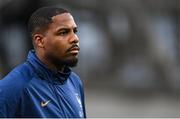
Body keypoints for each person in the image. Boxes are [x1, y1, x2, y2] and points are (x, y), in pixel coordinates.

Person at [0, 6, 86, 118]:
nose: (74, 38)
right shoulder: (14, 86)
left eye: (74, 31)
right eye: (63, 32)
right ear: (40, 41)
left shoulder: (75, 82)